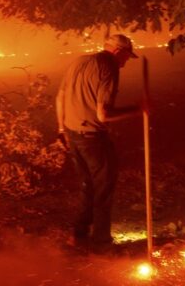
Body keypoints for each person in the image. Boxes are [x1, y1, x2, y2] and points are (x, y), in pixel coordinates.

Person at [55, 34, 143, 251]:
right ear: (118, 51)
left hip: (72, 134)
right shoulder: (109, 68)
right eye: (126, 57)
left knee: (88, 185)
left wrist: (61, 130)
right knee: (104, 187)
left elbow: (60, 97)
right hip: (92, 137)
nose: (124, 63)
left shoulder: (79, 61)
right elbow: (103, 114)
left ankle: (79, 235)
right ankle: (101, 243)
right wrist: (138, 109)